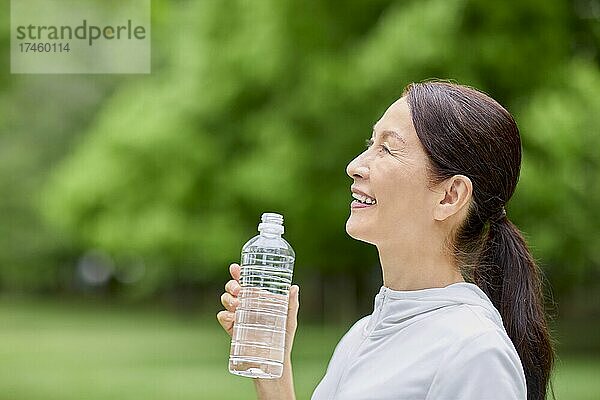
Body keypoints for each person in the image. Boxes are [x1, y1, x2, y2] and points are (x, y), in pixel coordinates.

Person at [217, 81, 556, 400]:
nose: (355, 166)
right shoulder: (360, 337)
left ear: (450, 196)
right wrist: (273, 370)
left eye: (388, 149)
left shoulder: (475, 352)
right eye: (370, 144)